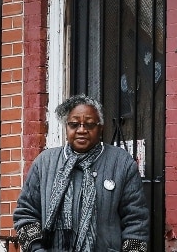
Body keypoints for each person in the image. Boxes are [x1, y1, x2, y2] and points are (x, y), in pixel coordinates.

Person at [14, 94, 149, 252]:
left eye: (90, 125)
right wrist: (36, 250)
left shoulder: (121, 163)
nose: (82, 130)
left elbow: (136, 221)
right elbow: (25, 214)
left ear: (101, 127)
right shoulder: (44, 163)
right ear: (66, 127)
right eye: (74, 124)